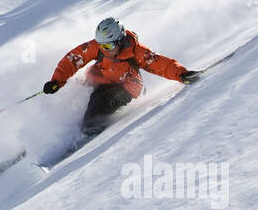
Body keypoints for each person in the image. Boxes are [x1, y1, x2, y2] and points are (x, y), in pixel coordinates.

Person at [42, 17, 199, 139]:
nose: (104, 50)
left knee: (99, 102)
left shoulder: (137, 52)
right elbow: (73, 59)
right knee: (74, 92)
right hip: (100, 77)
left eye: (108, 46)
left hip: (125, 86)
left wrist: (182, 74)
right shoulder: (99, 47)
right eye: (101, 46)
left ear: (120, 40)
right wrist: (56, 81)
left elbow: (162, 64)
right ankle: (59, 131)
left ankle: (89, 132)